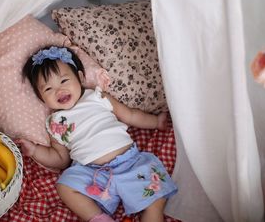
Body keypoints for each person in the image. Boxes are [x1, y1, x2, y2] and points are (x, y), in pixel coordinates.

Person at [18, 46, 177, 222]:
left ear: (79, 77)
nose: (59, 90)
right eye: (48, 89)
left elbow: (130, 115)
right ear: (41, 98)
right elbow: (60, 159)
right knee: (64, 186)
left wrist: (155, 122)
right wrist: (34, 151)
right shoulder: (54, 123)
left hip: (130, 163)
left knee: (155, 198)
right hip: (94, 174)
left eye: (64, 81)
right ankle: (99, 218)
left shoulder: (97, 98)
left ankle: (152, 215)